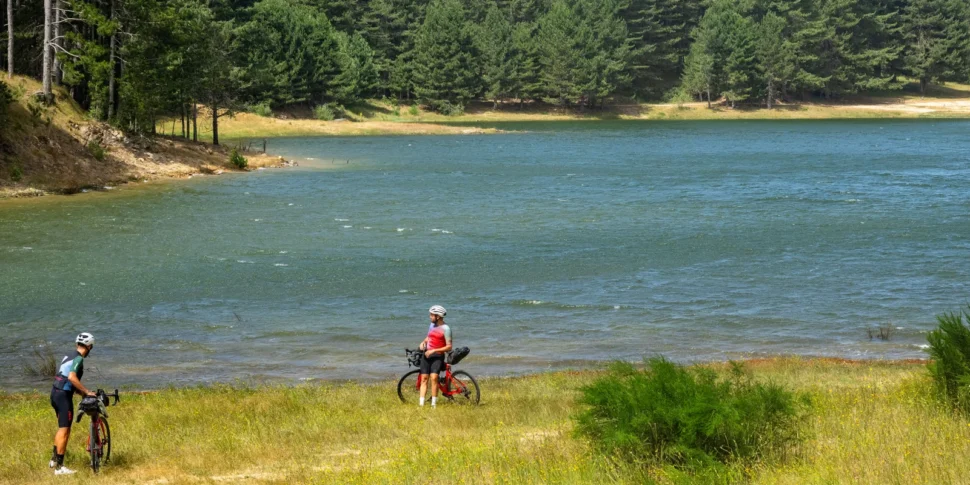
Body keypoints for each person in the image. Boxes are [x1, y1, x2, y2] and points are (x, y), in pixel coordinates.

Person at [48, 332, 97, 475]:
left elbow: (63, 377)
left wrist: (80, 392)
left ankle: (54, 459)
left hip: (55, 393)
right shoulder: (79, 358)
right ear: (89, 347)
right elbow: (71, 378)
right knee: (65, 430)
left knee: (61, 428)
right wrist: (87, 391)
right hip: (63, 396)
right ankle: (60, 468)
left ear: (77, 344)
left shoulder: (68, 355)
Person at [417, 305, 452, 408]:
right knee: (424, 378)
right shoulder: (431, 325)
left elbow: (449, 347)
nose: (430, 317)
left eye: (432, 315)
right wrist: (423, 342)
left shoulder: (446, 329)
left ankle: (433, 405)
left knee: (434, 377)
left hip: (437, 356)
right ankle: (421, 405)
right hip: (427, 354)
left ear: (438, 316)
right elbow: (429, 337)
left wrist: (434, 350)